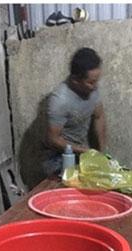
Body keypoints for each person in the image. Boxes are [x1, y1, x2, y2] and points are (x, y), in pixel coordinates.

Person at [43, 47, 106, 176]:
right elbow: (53, 139)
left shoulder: (92, 89)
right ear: (75, 80)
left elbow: (99, 116)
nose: (95, 86)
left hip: (81, 151)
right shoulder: (60, 100)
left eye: (96, 81)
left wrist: (102, 151)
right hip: (58, 157)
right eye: (91, 82)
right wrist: (85, 151)